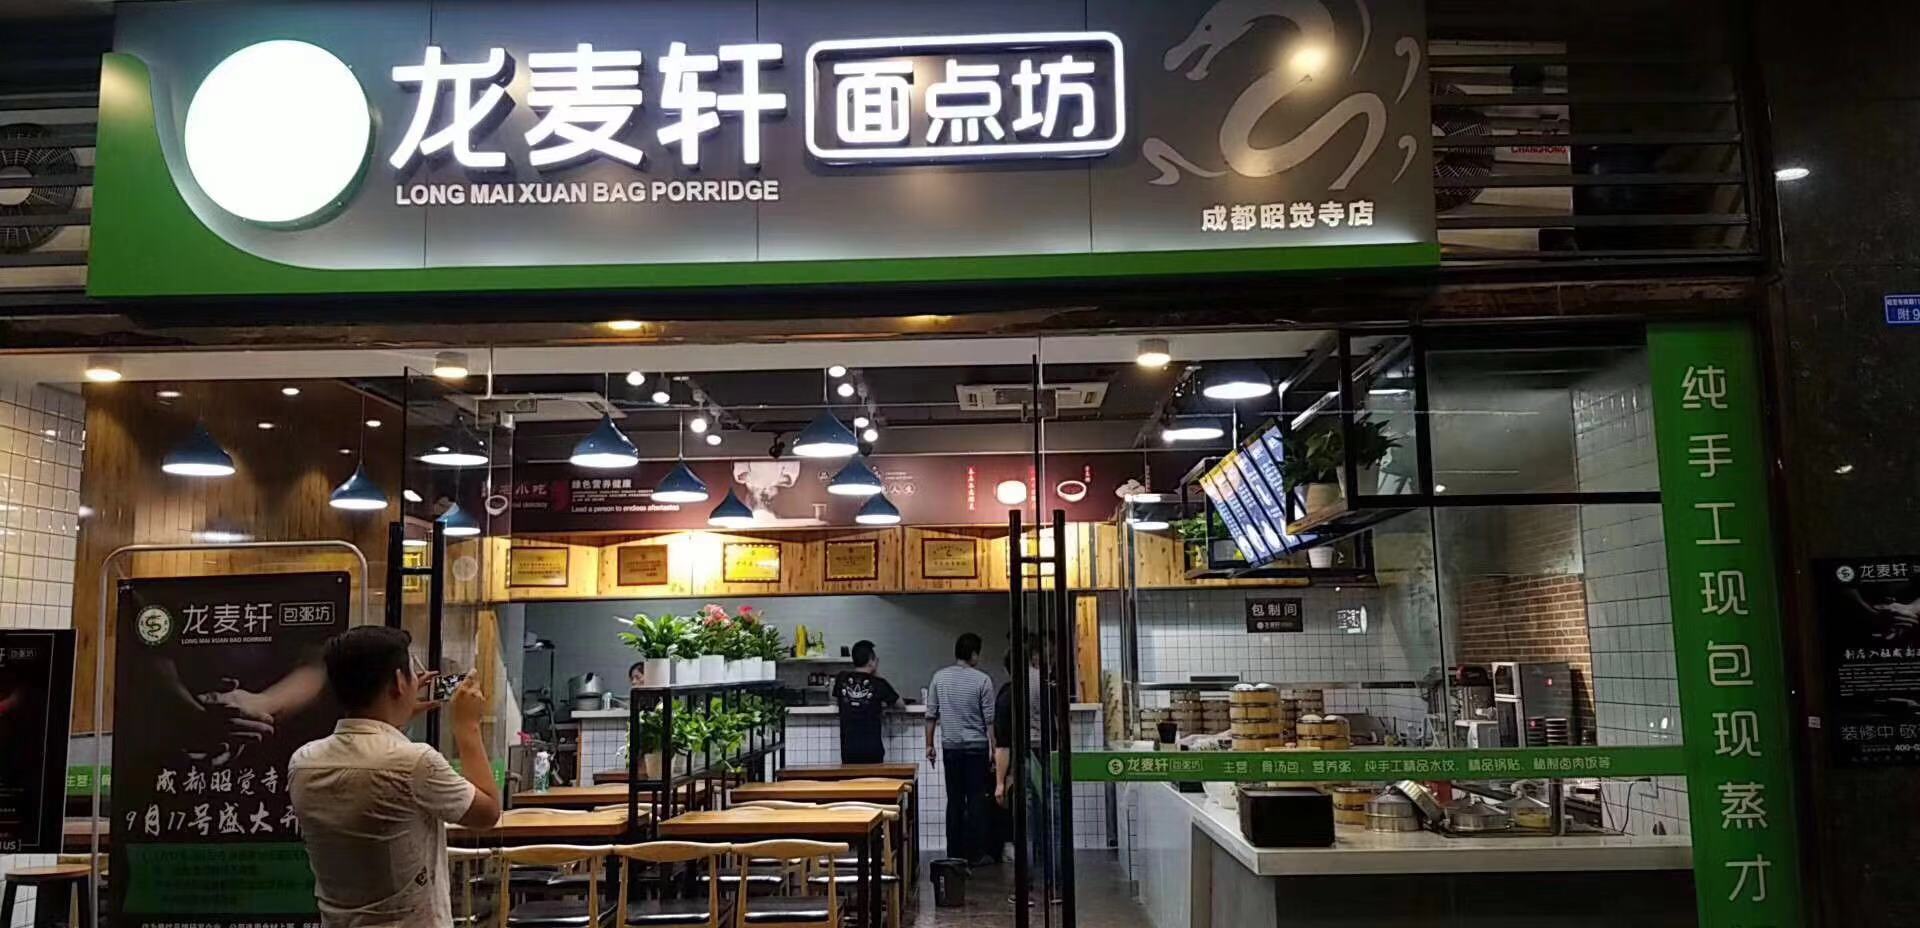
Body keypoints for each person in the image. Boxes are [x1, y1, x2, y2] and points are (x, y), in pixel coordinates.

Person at [290, 627, 503, 928]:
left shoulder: (302, 762)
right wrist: (467, 726)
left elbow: (370, 762)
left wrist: (392, 720)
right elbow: (488, 813)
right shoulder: (415, 763)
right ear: (399, 681)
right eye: (412, 673)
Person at [926, 632, 995, 865]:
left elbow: (931, 715)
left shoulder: (939, 677)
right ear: (974, 654)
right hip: (977, 748)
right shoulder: (983, 680)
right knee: (976, 800)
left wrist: (929, 745)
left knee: (954, 800)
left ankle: (954, 852)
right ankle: (976, 854)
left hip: (951, 747)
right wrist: (994, 749)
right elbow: (989, 721)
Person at [832, 639, 899, 765]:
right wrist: (876, 672)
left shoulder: (841, 679)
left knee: (850, 778)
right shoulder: (879, 683)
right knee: (873, 778)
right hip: (872, 750)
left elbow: (836, 699)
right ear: (871, 660)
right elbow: (900, 704)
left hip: (848, 750)